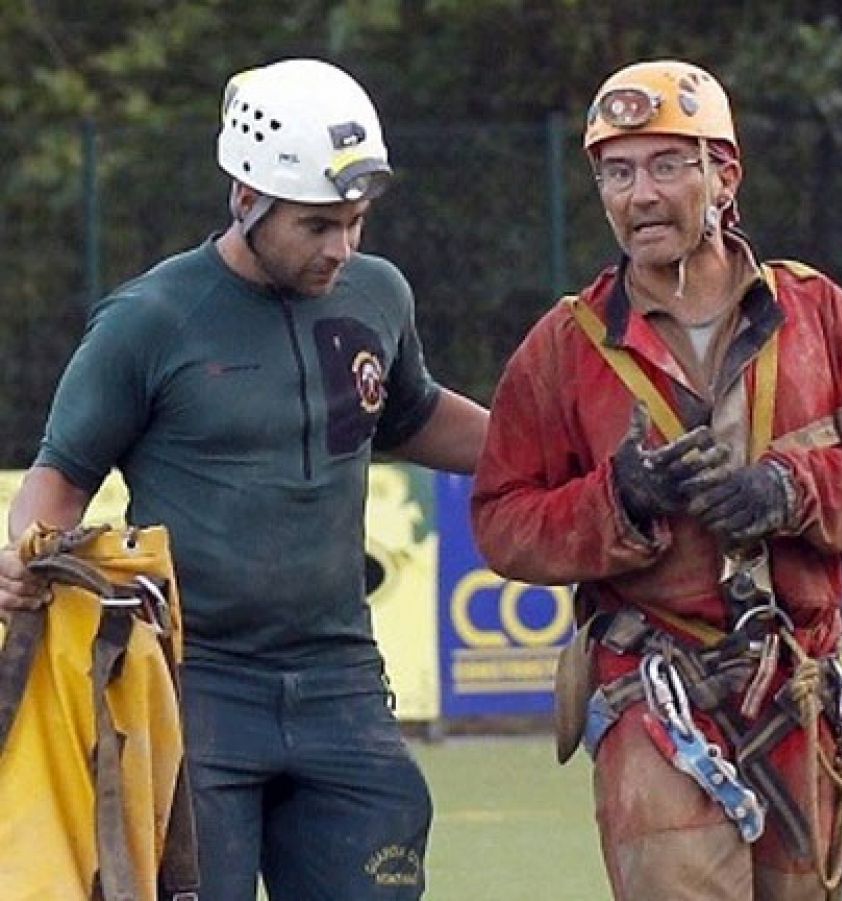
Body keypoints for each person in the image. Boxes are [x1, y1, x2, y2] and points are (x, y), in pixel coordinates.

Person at [0, 58, 488, 899]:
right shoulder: (148, 320)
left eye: (356, 221)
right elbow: (59, 478)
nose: (341, 247)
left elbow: (412, 417)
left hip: (342, 683)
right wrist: (21, 557)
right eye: (316, 225)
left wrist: (559, 447)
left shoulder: (378, 295)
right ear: (244, 197)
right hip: (196, 685)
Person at [470, 59, 842, 900]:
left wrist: (790, 489)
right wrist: (616, 502)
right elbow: (503, 520)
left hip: (796, 685)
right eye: (616, 173)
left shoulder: (819, 314)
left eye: (665, 166)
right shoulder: (565, 345)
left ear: (724, 175)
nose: (639, 195)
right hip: (655, 690)